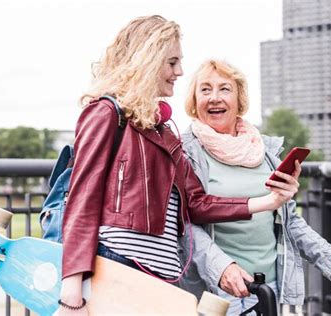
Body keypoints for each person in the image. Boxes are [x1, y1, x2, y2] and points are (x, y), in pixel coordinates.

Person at [57, 16, 302, 315]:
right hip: (117, 268)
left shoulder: (164, 131)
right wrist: (72, 295)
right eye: (172, 62)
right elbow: (82, 200)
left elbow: (197, 204)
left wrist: (269, 201)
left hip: (159, 279)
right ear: (148, 60)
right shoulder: (106, 113)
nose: (180, 71)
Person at [178, 59, 331, 314]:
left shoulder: (263, 151)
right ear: (194, 100)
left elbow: (289, 221)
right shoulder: (186, 152)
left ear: (239, 98)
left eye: (224, 89)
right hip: (217, 288)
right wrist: (222, 268)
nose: (214, 98)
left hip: (269, 287)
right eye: (205, 90)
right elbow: (184, 225)